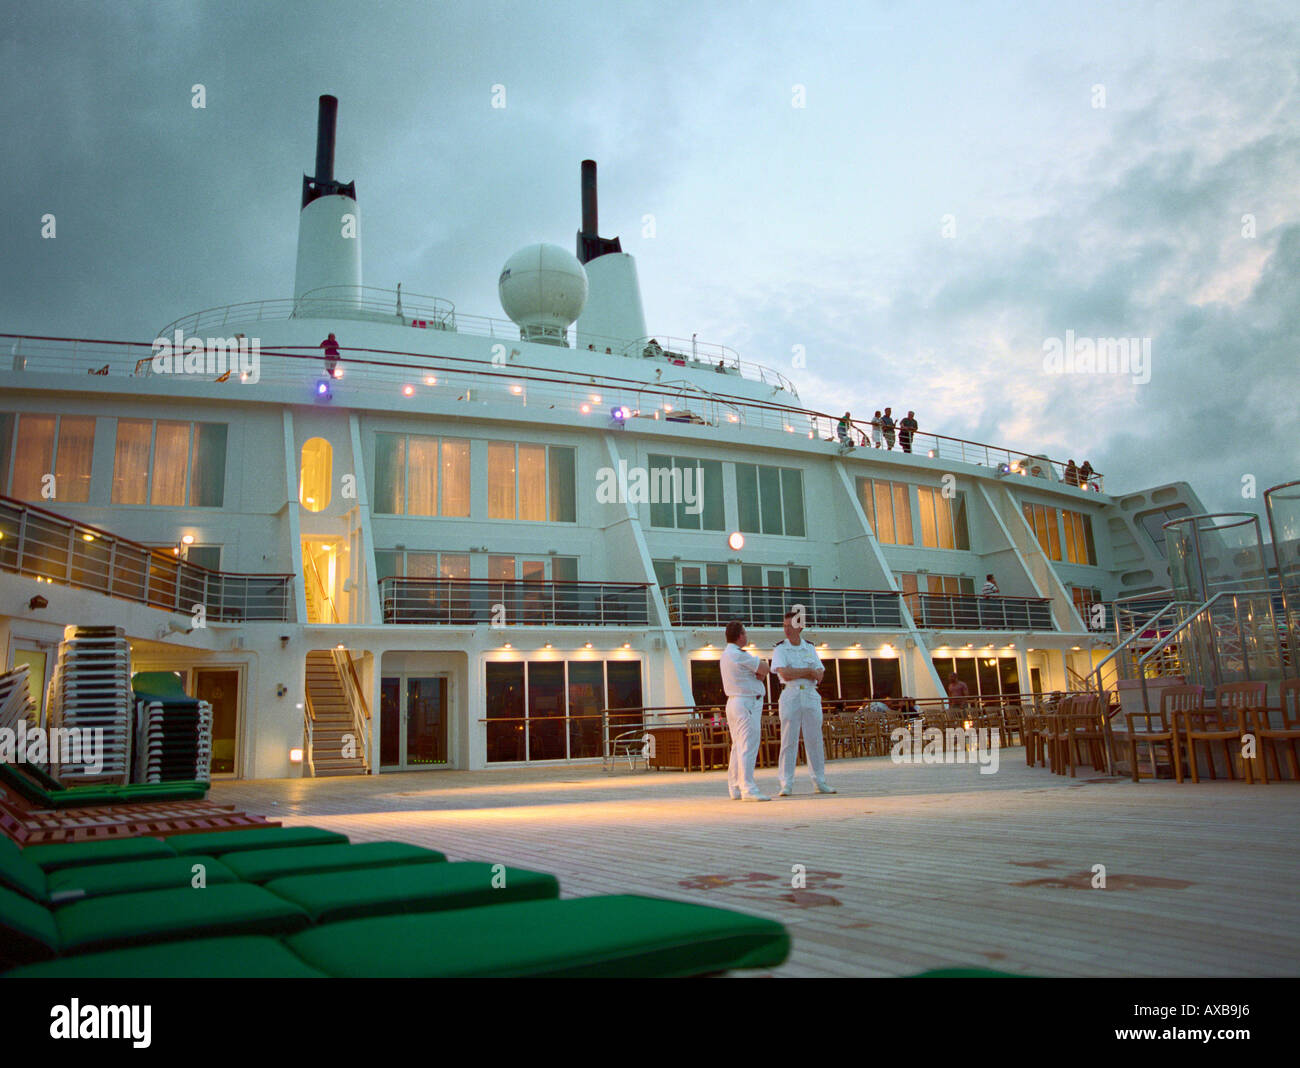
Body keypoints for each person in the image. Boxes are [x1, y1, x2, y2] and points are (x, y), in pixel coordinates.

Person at [772, 611, 836, 796]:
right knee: (788, 740)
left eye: (790, 626)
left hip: (810, 694)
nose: (786, 630)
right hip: (791, 694)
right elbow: (785, 674)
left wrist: (802, 671)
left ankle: (819, 781)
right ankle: (786, 783)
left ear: (799, 627)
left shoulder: (809, 647)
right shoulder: (780, 649)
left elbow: (820, 675)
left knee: (814, 739)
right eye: (784, 626)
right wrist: (808, 671)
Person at [720, 620, 771, 801]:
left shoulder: (726, 654)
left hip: (734, 703)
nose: (747, 636)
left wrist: (758, 673)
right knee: (748, 745)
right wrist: (760, 672)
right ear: (740, 636)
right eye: (745, 633)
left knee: (738, 746)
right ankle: (748, 788)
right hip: (747, 704)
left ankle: (735, 787)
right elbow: (766, 668)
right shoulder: (740, 655)